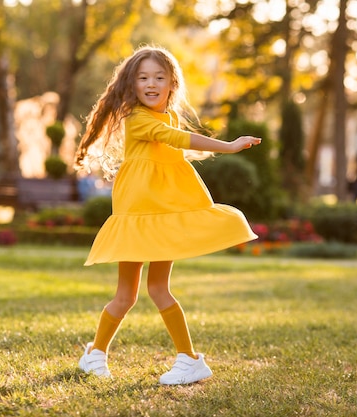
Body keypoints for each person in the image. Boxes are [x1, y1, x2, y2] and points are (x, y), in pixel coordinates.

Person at [73, 45, 261, 385]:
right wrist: (228, 145)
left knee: (159, 287)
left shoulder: (169, 116)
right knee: (126, 295)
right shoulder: (139, 118)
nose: (151, 83)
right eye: (143, 77)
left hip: (164, 216)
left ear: (172, 83)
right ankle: (95, 354)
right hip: (136, 216)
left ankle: (188, 359)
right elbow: (176, 138)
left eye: (159, 77)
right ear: (131, 84)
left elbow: (177, 142)